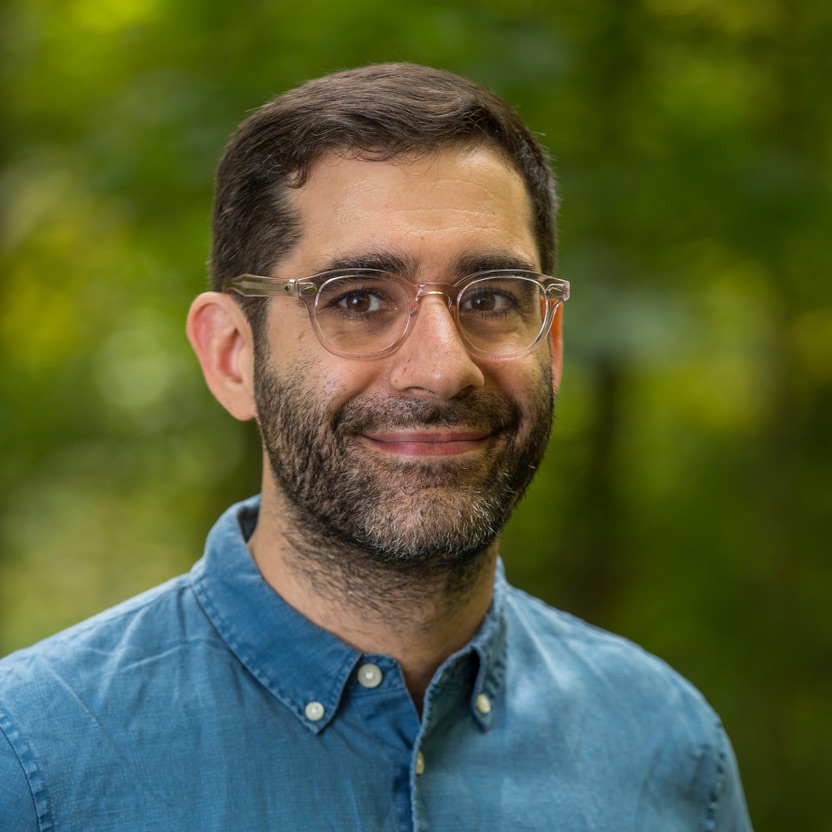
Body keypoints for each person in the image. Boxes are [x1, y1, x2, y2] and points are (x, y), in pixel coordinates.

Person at [0, 63, 753, 830]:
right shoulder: (32, 763)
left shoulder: (667, 748)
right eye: (358, 300)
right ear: (232, 356)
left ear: (550, 344)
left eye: (492, 299)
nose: (443, 367)